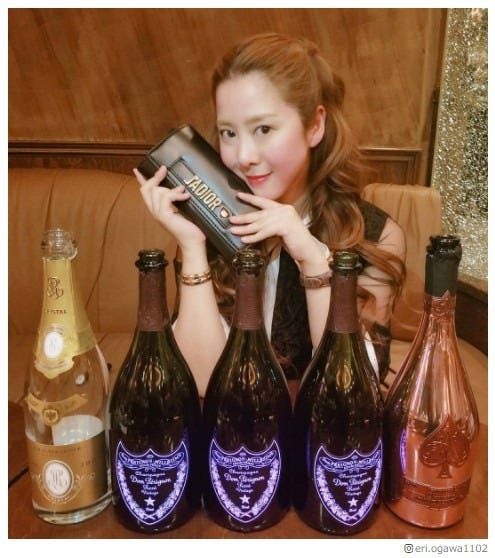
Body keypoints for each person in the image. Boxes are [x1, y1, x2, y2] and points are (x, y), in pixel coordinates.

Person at [135, 32, 406, 397]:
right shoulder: (211, 223)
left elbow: (351, 390)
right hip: (231, 429)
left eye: (263, 129)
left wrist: (312, 259)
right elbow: (199, 381)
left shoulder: (374, 233)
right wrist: (193, 246)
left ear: (315, 125)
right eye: (228, 133)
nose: (243, 156)